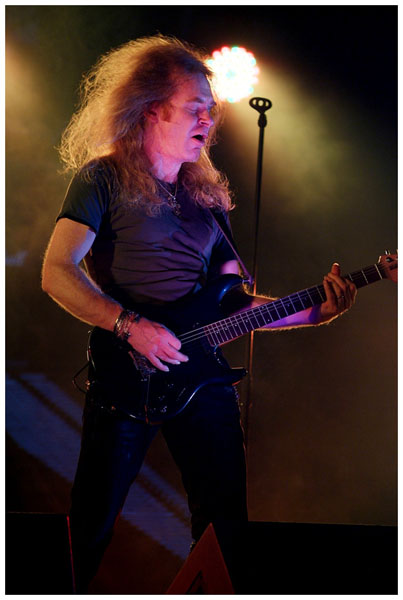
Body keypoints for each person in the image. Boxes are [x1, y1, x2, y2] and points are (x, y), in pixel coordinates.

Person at [41, 34, 357, 592]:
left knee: (224, 526)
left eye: (211, 110)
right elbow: (56, 272)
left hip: (202, 377)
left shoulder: (207, 199)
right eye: (194, 107)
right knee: (91, 523)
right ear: (152, 108)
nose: (208, 120)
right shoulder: (102, 178)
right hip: (126, 372)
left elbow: (232, 305)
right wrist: (128, 326)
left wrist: (315, 314)